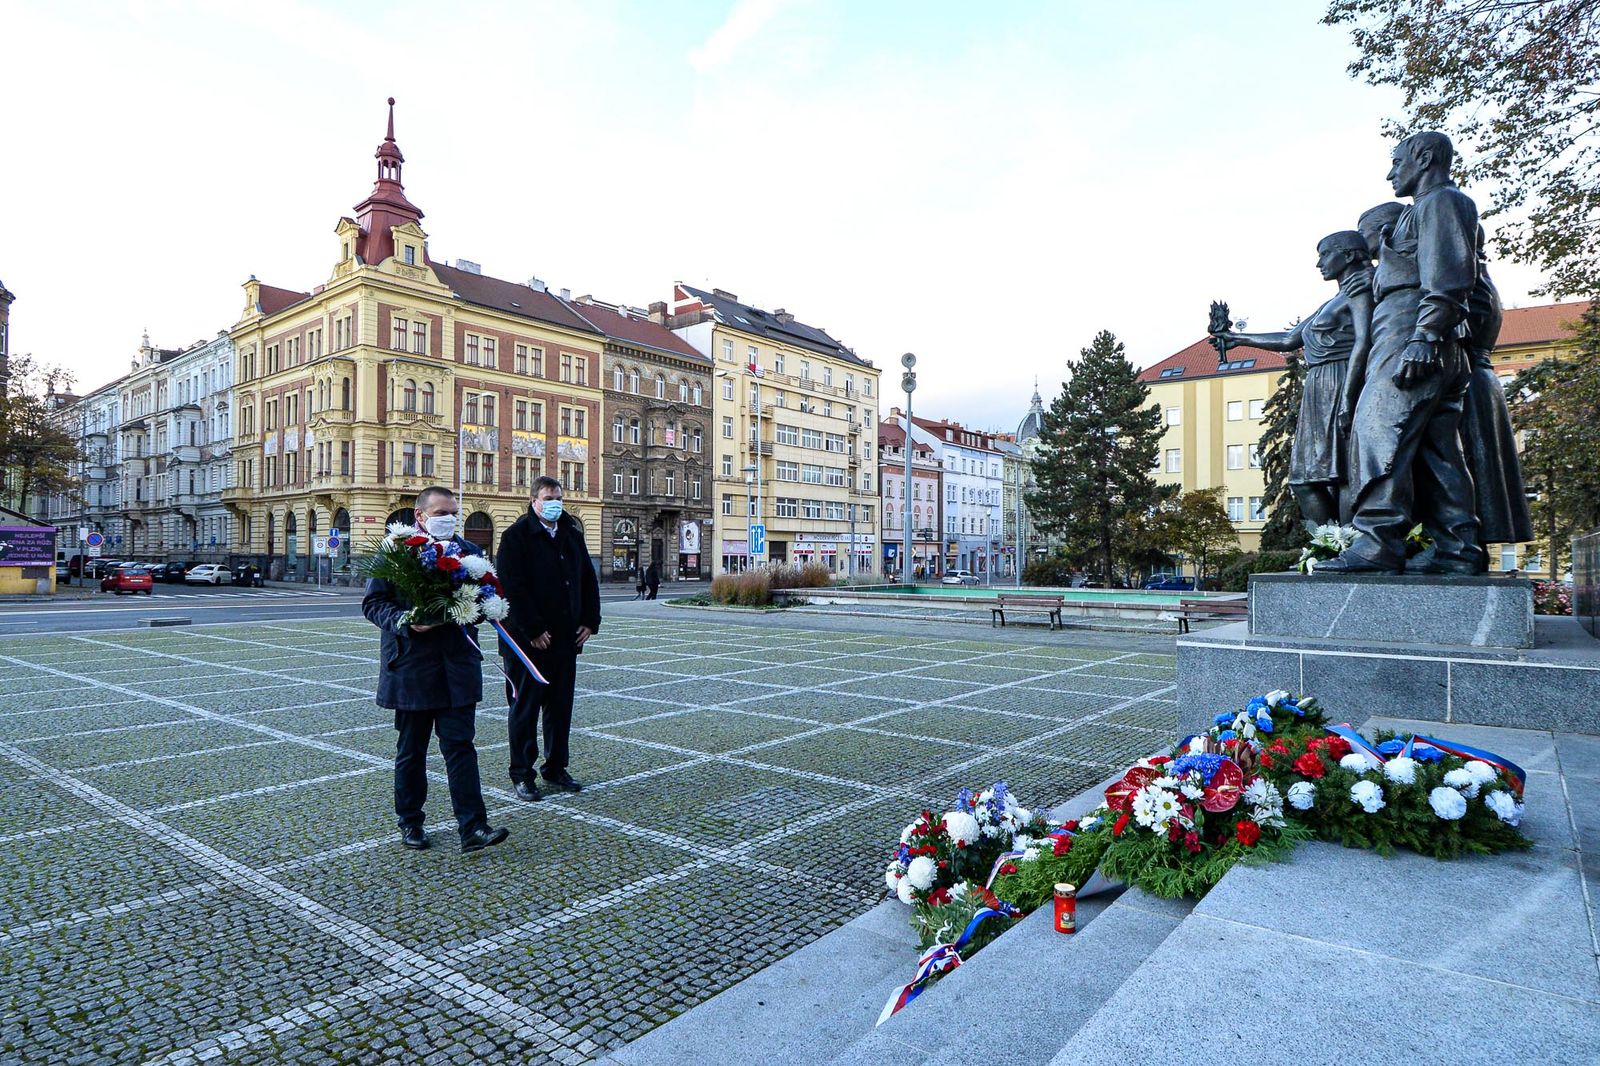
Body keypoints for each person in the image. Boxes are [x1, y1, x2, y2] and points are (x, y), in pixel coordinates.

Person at [1317, 131, 1483, 574]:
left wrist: (1423, 338)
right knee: (1437, 452)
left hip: (1412, 334)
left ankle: (1377, 541)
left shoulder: (1440, 203)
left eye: (1396, 162)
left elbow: (1448, 277)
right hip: (1415, 334)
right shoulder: (1419, 213)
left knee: (1376, 432)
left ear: (1424, 158)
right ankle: (1459, 548)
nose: (1390, 172)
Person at [361, 486, 508, 854]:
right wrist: (407, 620)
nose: (450, 518)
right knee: (412, 749)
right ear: (421, 516)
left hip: (457, 666)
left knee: (461, 747)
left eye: (453, 512)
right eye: (442, 512)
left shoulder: (470, 553)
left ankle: (473, 827)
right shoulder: (397, 552)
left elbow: (486, 597)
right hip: (411, 666)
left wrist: (484, 607)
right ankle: (410, 821)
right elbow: (373, 603)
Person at [1213, 230, 1375, 526]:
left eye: (1325, 254)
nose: (1319, 264)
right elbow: (1289, 339)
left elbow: (1364, 342)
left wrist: (1349, 398)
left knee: (1343, 472)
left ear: (1349, 255)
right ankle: (1329, 545)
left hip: (1342, 379)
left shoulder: (1360, 291)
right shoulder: (1334, 299)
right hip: (1318, 386)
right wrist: (1237, 339)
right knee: (1305, 478)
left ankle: (1350, 545)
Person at [495, 475, 601, 800]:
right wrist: (532, 628)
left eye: (558, 497)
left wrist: (590, 621)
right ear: (534, 501)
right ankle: (521, 773)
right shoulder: (515, 537)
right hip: (527, 643)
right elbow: (512, 587)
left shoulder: (571, 533)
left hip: (566, 640)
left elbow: (587, 578)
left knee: (559, 708)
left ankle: (555, 767)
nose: (555, 503)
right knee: (524, 709)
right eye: (548, 497)